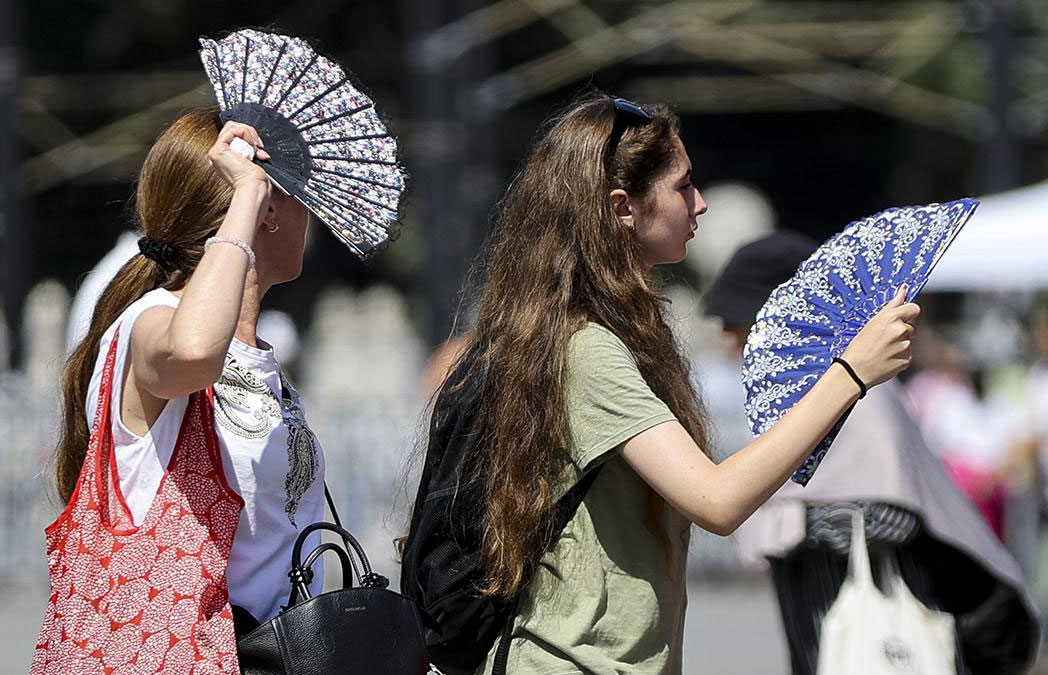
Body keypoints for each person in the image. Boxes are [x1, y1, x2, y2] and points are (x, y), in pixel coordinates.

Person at [422, 93, 922, 675]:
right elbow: (717, 500)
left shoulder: (596, 333)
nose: (701, 203)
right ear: (622, 207)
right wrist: (851, 375)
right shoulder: (587, 350)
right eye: (683, 186)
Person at [32, 109, 326, 672]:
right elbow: (193, 353)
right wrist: (247, 196)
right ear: (265, 209)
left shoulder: (266, 365)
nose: (310, 212)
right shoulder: (150, 323)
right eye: (298, 193)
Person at [705, 232, 1038, 675]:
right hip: (826, 631)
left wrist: (785, 519)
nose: (726, 337)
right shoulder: (803, 394)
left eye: (735, 319)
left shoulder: (858, 389)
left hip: (885, 631)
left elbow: (893, 518)